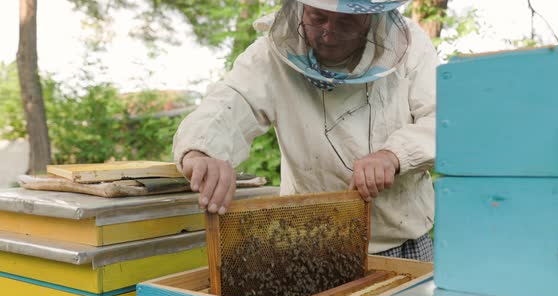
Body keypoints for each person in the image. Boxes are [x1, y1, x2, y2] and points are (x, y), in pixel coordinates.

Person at [173, 0, 438, 261]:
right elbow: (230, 101)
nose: (328, 34)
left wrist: (393, 155)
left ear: (371, 17)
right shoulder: (269, 56)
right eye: (317, 17)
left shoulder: (412, 47)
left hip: (401, 242)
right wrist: (200, 150)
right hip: (309, 244)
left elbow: (442, 119)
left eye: (346, 22)